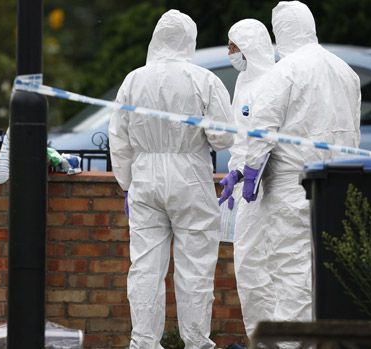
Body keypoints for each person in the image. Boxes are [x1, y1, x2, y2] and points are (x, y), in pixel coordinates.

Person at [109, 9, 234, 349]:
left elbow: (118, 138)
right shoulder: (204, 79)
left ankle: (144, 343)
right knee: (195, 267)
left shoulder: (133, 80)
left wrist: (126, 184)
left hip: (145, 178)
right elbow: (224, 137)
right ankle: (195, 342)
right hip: (191, 175)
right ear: (189, 40)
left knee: (145, 267)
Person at [239, 0, 361, 343]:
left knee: (290, 272)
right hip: (338, 189)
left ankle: (291, 343)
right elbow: (355, 134)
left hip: (292, 191)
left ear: (281, 32)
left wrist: (250, 173)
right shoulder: (345, 71)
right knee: (329, 275)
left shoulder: (285, 72)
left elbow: (262, 130)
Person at [217, 18, 276, 341]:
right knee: (247, 265)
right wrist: (235, 170)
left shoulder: (271, 83)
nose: (230, 52)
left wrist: (248, 171)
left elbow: (265, 137)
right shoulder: (244, 83)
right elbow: (240, 138)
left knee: (262, 267)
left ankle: (274, 339)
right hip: (246, 185)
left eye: (234, 46)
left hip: (268, 187)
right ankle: (259, 338)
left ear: (249, 48)